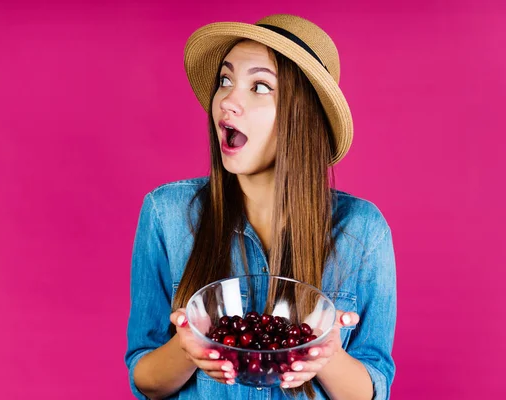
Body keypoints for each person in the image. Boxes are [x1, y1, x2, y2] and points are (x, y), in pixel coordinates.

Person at [124, 14, 397, 400]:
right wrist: (186, 349)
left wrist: (329, 356)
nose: (228, 101)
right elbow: (145, 377)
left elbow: (372, 389)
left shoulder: (363, 230)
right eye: (225, 80)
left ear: (301, 117)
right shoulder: (166, 213)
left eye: (260, 86)